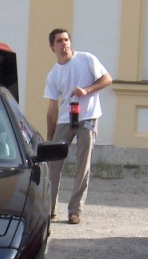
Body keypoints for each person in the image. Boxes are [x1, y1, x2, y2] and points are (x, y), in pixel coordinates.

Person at [44, 28, 113, 224]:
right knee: (53, 165)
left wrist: (87, 90)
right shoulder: (53, 74)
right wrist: (50, 138)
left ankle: (75, 211)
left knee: (83, 165)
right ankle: (49, 209)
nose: (64, 44)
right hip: (66, 119)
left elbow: (107, 79)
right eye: (59, 41)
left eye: (66, 40)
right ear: (52, 46)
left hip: (88, 117)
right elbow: (52, 109)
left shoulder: (86, 59)